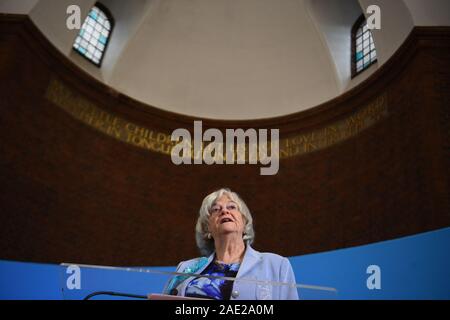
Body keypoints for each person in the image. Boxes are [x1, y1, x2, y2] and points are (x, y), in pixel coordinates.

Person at [163, 188, 299, 300]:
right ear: (207, 227)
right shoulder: (185, 269)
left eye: (232, 207)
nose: (224, 211)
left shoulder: (277, 265)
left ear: (244, 222)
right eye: (215, 209)